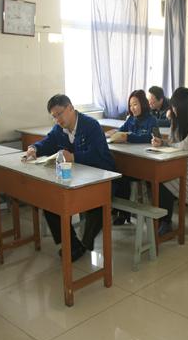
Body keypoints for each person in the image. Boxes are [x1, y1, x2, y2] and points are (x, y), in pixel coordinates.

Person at [24, 94, 118, 260]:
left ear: (70, 108)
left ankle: (85, 244)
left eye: (59, 114)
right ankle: (72, 244)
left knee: (97, 205)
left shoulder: (91, 125)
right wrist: (34, 148)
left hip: (103, 177)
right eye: (54, 116)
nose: (58, 119)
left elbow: (97, 154)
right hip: (77, 178)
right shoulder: (59, 129)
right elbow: (47, 142)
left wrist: (74, 157)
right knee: (50, 201)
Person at [151, 88, 188, 236]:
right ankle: (162, 218)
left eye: (176, 107)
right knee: (155, 177)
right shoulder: (176, 118)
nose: (174, 110)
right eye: (173, 107)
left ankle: (165, 222)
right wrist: (162, 143)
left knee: (163, 180)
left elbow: (184, 146)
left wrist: (167, 145)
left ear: (185, 107)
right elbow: (172, 142)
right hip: (178, 165)